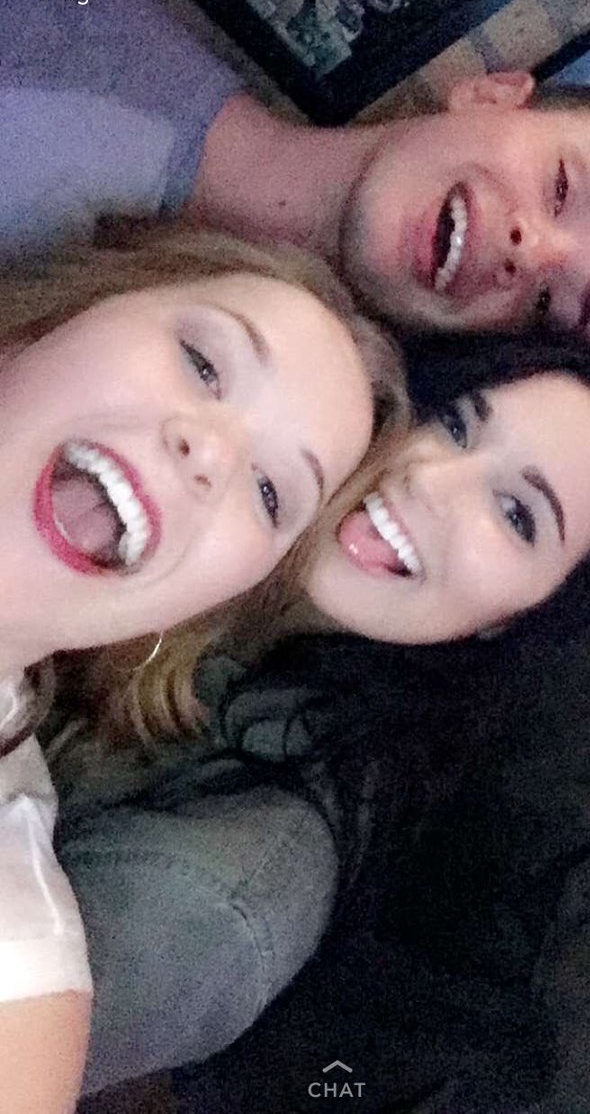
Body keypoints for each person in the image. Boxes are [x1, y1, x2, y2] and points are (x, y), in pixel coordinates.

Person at [45, 332, 590, 1099]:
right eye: (454, 423)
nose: (431, 479)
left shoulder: (215, 897)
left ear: (511, 622)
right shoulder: (174, 475)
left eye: (515, 514)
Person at [0, 223, 400, 1113]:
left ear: (191, 613)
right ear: (54, 320)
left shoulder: (19, 981)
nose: (210, 453)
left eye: (270, 493)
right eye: (204, 362)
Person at [4, 0, 590, 367]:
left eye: (548, 307)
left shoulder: (198, 442)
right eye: (562, 186)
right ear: (489, 93)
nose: (530, 254)